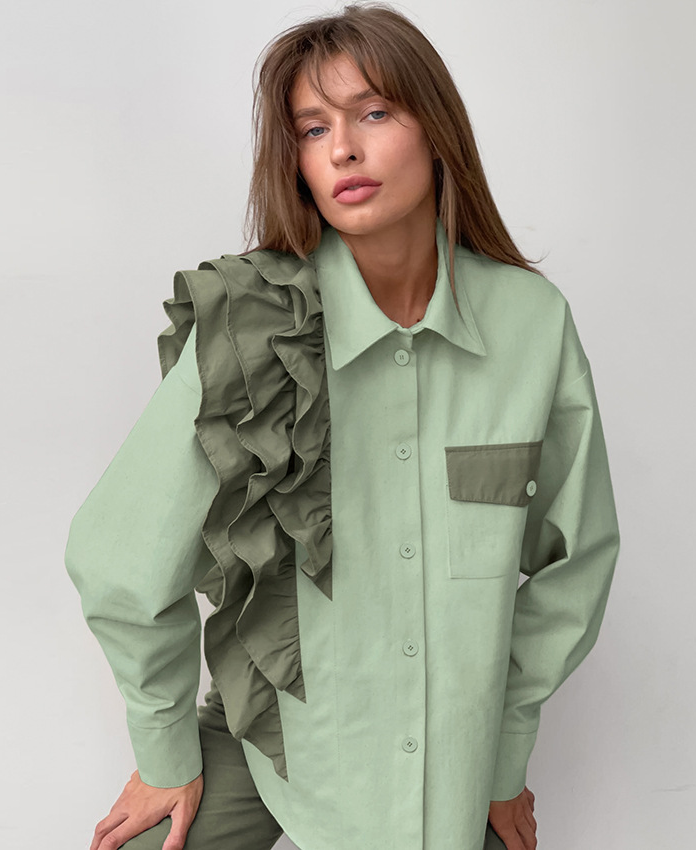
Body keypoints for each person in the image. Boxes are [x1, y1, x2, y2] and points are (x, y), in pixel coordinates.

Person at [64, 4, 620, 850]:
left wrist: (502, 759)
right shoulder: (251, 325)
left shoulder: (531, 324)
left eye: (374, 113)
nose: (342, 150)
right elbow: (119, 563)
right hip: (274, 738)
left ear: (437, 129)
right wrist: (164, 751)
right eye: (312, 128)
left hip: (449, 759)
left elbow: (574, 563)